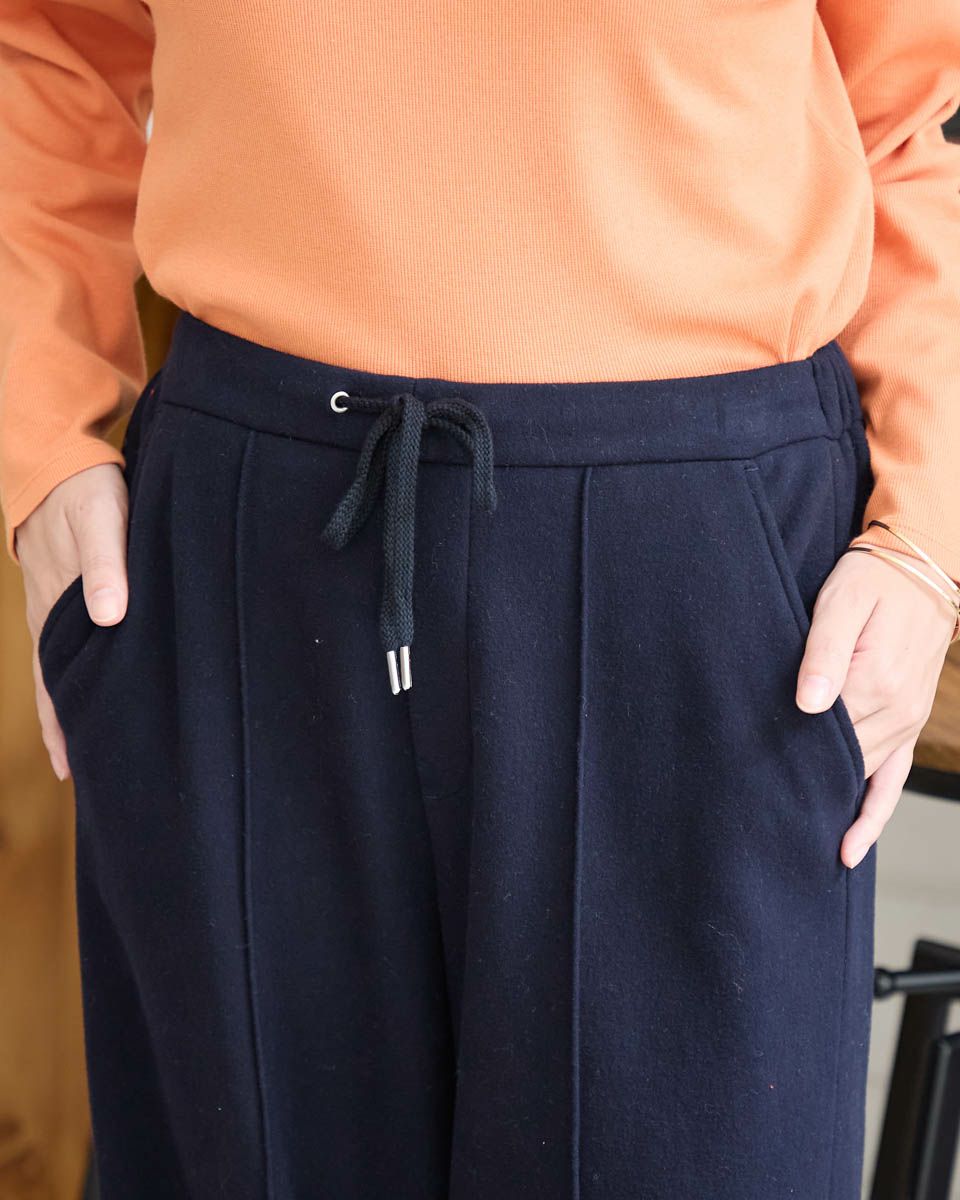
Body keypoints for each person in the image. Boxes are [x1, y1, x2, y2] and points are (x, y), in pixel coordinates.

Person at [1, 2, 958, 1197]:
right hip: (249, 545)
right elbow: (50, 50)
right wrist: (43, 436)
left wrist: (928, 532)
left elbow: (904, 119)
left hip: (700, 572)